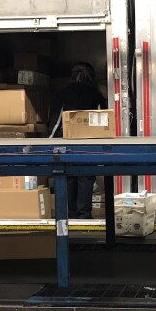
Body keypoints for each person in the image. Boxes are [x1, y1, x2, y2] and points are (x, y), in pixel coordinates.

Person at [48, 62, 106, 219]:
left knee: (68, 178)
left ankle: (69, 215)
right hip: (89, 145)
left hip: (65, 144)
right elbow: (103, 123)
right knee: (86, 179)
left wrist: (50, 142)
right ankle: (84, 216)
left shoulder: (62, 94)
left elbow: (56, 122)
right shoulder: (96, 95)